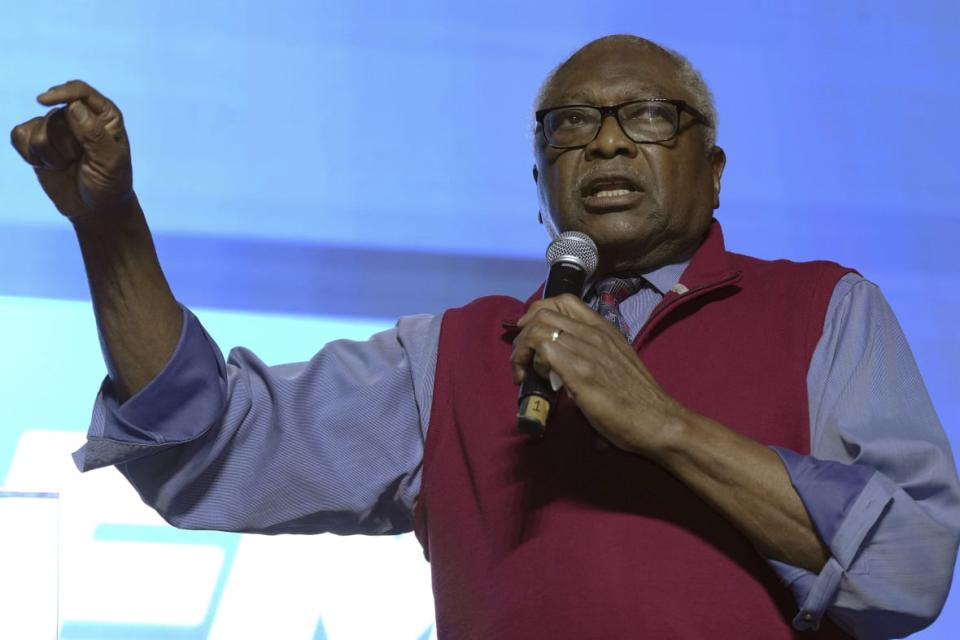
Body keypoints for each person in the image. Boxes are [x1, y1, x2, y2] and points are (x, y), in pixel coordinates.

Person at [10, 34, 960, 639]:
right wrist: (110, 223)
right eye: (572, 125)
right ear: (540, 182)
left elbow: (912, 567)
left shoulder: (826, 310)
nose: (607, 143)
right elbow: (208, 451)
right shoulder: (457, 352)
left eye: (649, 117)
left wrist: (662, 424)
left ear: (712, 174)